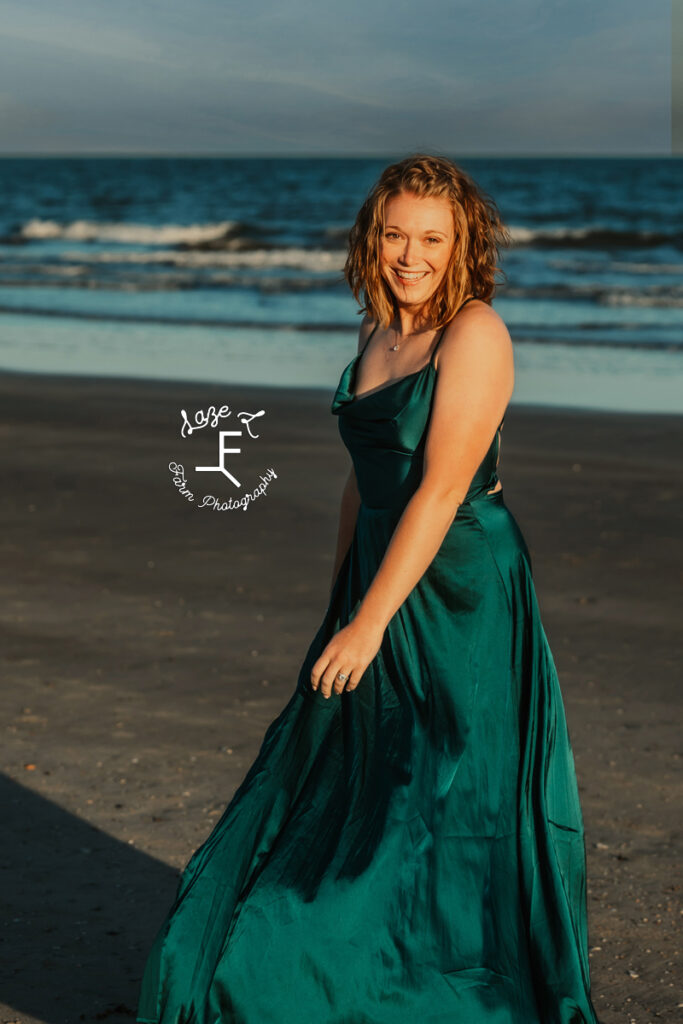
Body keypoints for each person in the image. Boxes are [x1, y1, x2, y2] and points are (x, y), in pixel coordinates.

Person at [136, 153, 599, 1024]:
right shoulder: (375, 331)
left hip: (459, 590)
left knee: (439, 796)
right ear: (370, 236)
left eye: (431, 238)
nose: (410, 255)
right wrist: (341, 605)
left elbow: (436, 488)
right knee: (356, 787)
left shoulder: (475, 333)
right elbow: (366, 482)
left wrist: (371, 623)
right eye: (395, 234)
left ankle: (434, 986)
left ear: (463, 243)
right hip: (382, 574)